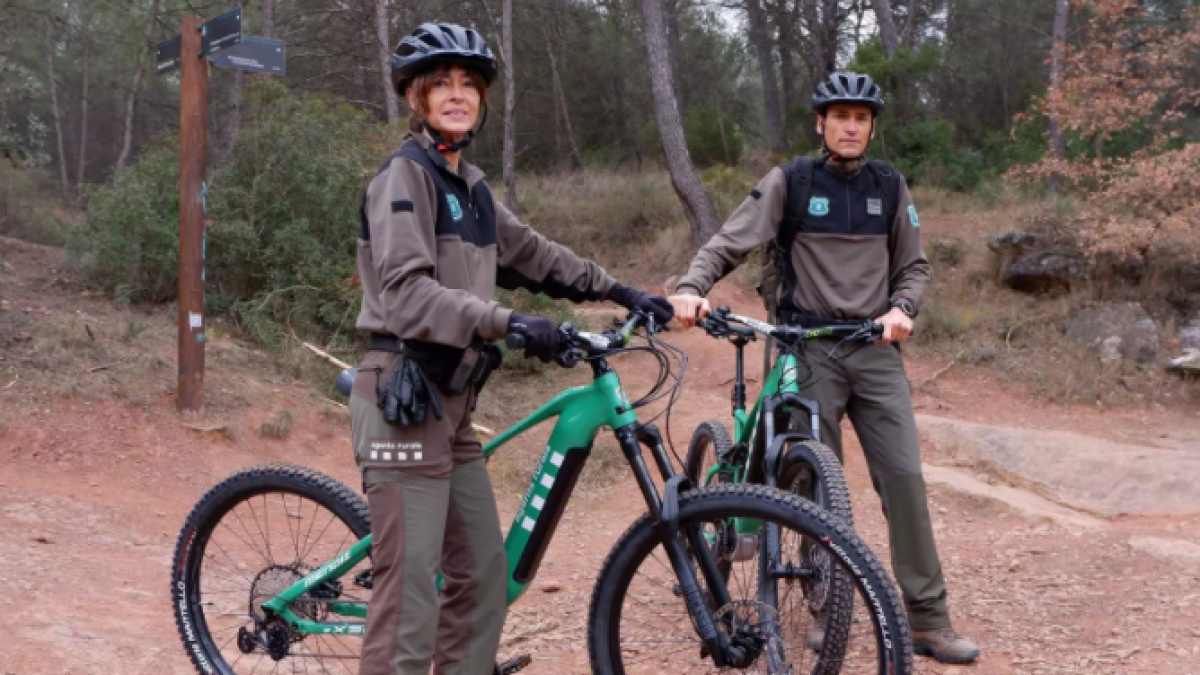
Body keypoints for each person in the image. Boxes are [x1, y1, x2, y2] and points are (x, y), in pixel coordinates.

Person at [351, 22, 673, 675]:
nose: (457, 94)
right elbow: (408, 295)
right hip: (402, 398)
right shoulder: (403, 178)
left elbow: (537, 256)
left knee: (481, 578)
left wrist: (619, 288)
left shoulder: (469, 188)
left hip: (451, 404)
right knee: (410, 603)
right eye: (441, 83)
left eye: (469, 84)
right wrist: (510, 322)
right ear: (415, 96)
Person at [666, 72, 981, 665]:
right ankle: (824, 605)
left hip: (875, 349)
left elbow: (914, 267)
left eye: (861, 118)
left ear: (872, 127)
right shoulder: (791, 182)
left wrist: (903, 308)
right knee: (817, 482)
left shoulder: (889, 186)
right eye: (840, 116)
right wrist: (691, 287)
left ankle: (928, 619)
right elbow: (728, 242)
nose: (851, 127)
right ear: (821, 123)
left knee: (905, 480)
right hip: (807, 348)